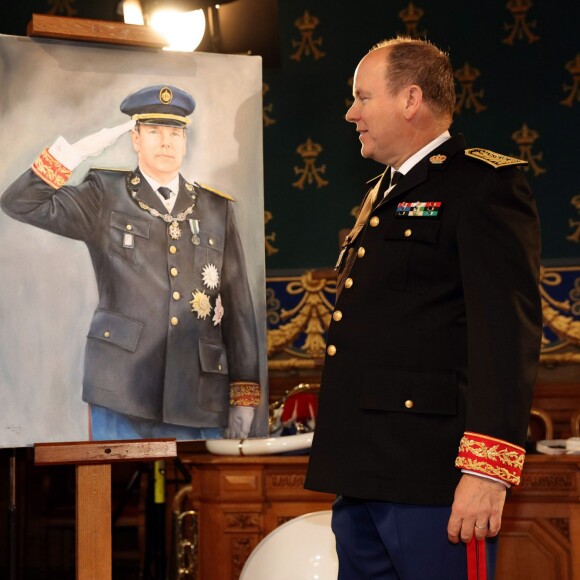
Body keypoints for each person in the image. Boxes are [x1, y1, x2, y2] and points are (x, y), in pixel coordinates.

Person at [304, 37, 542, 579]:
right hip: (365, 472)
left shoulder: (482, 185)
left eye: (363, 98)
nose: (351, 112)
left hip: (436, 479)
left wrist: (487, 471)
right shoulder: (383, 192)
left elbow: (506, 336)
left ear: (410, 99)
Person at [1, 84, 261, 440]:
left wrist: (244, 396)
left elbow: (238, 306)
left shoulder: (216, 209)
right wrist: (73, 154)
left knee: (199, 494)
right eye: (154, 132)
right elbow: (20, 202)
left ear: (185, 141)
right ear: (135, 139)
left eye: (175, 132)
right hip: (120, 387)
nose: (166, 142)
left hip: (198, 390)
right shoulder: (104, 193)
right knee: (110, 491)